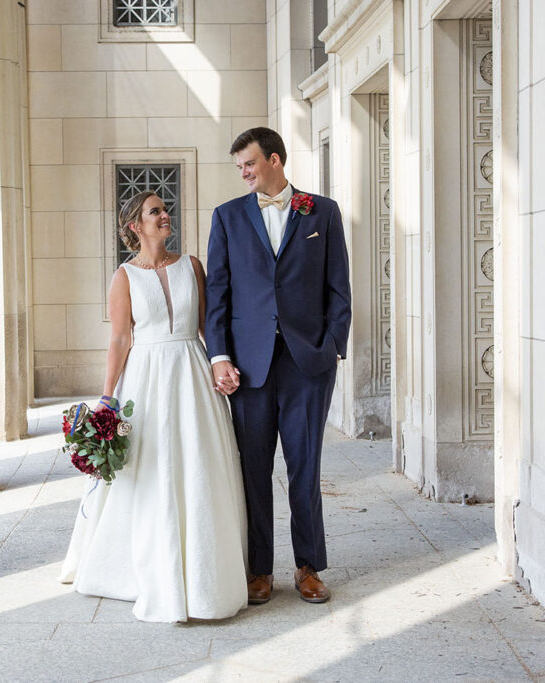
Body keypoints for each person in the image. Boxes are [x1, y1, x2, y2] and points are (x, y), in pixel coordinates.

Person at [59, 191, 248, 623]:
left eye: (165, 209)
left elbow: (207, 326)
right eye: (155, 212)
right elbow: (121, 339)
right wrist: (107, 398)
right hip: (145, 378)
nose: (166, 215)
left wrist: (222, 364)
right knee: (151, 469)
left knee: (199, 462)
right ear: (135, 226)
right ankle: (141, 565)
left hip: (191, 373)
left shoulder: (191, 265)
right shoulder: (124, 277)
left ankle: (206, 564)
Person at [206, 127, 351, 605]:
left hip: (307, 362)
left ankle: (309, 567)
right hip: (248, 366)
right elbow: (219, 295)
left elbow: (338, 288)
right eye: (240, 168)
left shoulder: (321, 212)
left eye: (249, 164)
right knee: (252, 469)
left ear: (274, 159)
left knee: (305, 467)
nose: (244, 174)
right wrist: (220, 355)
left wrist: (330, 346)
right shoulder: (227, 218)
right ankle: (258, 570)